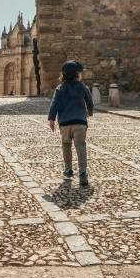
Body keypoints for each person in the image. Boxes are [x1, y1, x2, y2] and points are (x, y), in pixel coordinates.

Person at [48, 60, 94, 188]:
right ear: (76, 74)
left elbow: (54, 104)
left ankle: (68, 169)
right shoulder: (82, 87)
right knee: (81, 146)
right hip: (80, 122)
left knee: (66, 145)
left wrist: (51, 119)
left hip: (65, 123)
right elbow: (89, 101)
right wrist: (89, 112)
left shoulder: (60, 88)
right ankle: (83, 172)